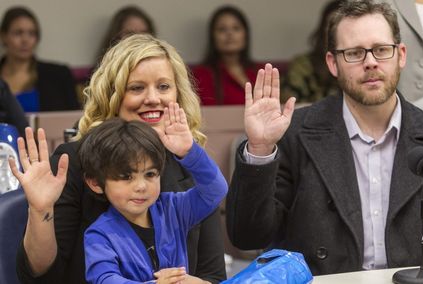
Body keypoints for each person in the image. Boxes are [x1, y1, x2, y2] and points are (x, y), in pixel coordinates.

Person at [226, 0, 423, 276]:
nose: (370, 63)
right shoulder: (294, 135)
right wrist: (260, 149)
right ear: (333, 63)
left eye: (381, 50)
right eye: (355, 53)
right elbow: (248, 237)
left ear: (401, 55)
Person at [14, 34, 227, 284]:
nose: (153, 98)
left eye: (164, 86)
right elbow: (41, 278)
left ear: (178, 95)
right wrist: (40, 211)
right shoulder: (74, 162)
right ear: (112, 96)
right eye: (136, 88)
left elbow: (213, 276)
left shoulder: (191, 164)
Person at [78, 117, 227, 283]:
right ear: (96, 182)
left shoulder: (174, 208)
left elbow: (215, 190)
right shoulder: (99, 235)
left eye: (150, 174)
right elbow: (104, 279)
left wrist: (189, 152)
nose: (141, 186)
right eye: (126, 177)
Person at [0, 6, 80, 112]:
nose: (25, 40)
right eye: (18, 33)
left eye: (31, 33)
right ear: (3, 36)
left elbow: (74, 119)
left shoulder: (59, 75)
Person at [192, 5, 263, 105]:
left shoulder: (261, 71)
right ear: (213, 37)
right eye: (222, 29)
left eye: (236, 28)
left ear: (245, 35)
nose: (229, 33)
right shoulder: (200, 75)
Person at [281, 0, 340, 104]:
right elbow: (290, 106)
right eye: (332, 25)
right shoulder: (302, 66)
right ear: (323, 29)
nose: (338, 31)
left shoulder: (365, 64)